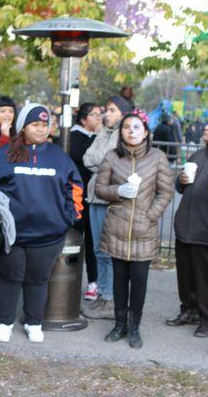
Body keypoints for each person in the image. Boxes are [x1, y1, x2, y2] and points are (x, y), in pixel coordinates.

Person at [0, 103, 83, 343]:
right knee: (9, 278)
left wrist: (68, 218)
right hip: (12, 235)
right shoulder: (3, 155)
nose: (41, 130)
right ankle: (4, 322)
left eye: (44, 125)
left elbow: (76, 189)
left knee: (38, 280)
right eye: (35, 125)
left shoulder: (59, 157)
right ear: (22, 127)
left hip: (48, 236)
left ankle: (33, 322)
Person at [95, 109, 174, 348]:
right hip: (117, 226)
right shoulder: (111, 157)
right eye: (127, 127)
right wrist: (118, 192)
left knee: (139, 281)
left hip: (144, 228)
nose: (132, 131)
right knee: (119, 279)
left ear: (146, 132)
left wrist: (150, 215)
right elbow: (100, 188)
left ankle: (135, 327)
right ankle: (119, 324)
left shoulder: (157, 157)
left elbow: (166, 191)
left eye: (137, 127)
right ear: (121, 132)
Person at [167, 114, 208, 337]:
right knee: (185, 275)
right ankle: (188, 310)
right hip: (185, 225)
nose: (206, 127)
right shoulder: (198, 153)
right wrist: (181, 180)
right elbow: (180, 186)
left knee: (207, 279)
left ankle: (207, 319)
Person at [81, 95, 129, 320]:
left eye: (111, 110)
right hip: (95, 195)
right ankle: (102, 293)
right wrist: (99, 162)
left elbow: (106, 159)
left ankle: (110, 299)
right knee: (98, 250)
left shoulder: (123, 135)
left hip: (109, 197)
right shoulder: (103, 132)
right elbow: (88, 158)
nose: (105, 114)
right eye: (106, 110)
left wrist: (100, 162)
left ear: (122, 112)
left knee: (108, 251)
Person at [69, 103, 102, 300]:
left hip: (94, 196)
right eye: (94, 114)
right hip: (76, 196)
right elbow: (84, 157)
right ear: (83, 119)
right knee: (72, 239)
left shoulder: (98, 136)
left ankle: (93, 282)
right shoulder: (73, 137)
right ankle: (67, 281)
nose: (98, 118)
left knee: (93, 241)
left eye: (100, 114)